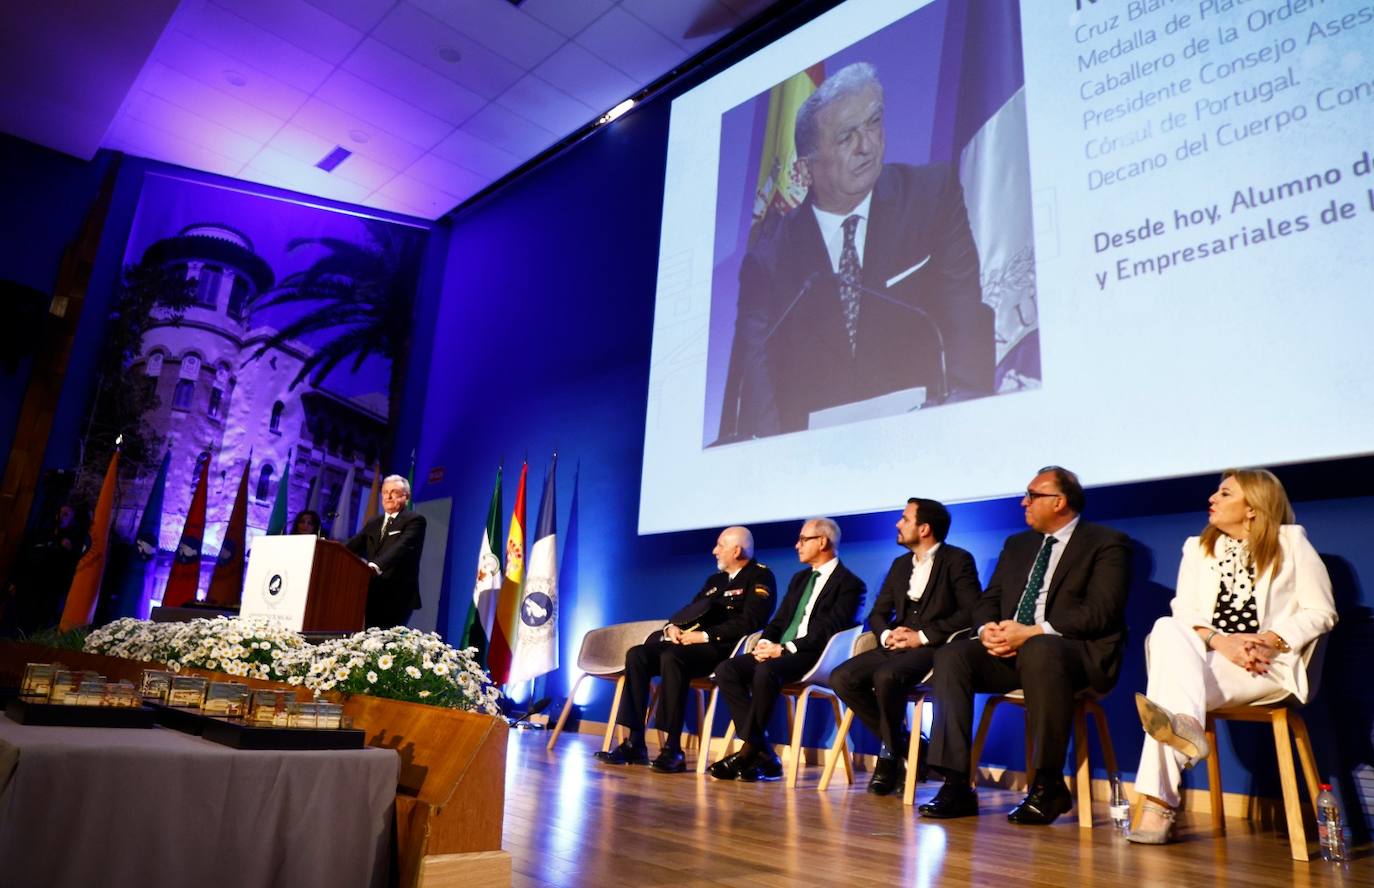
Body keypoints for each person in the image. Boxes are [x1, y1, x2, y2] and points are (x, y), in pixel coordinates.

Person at [721, 62, 993, 441]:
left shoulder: (932, 196)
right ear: (805, 169)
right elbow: (754, 384)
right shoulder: (769, 259)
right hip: (819, 464)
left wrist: (967, 417)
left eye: (874, 122)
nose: (867, 146)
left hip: (930, 436)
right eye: (847, 137)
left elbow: (964, 312)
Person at [1128, 469, 1337, 844]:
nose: (1212, 498)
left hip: (1264, 665)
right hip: (1210, 658)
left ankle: (1161, 800)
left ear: (1253, 507)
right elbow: (1186, 614)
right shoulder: (1198, 548)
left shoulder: (1291, 542)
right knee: (1166, 625)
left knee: (1167, 695)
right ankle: (1186, 725)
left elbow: (1321, 611)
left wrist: (1269, 640)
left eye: (1224, 493)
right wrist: (1222, 642)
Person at [919, 466, 1131, 824]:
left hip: (1073, 655)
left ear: (1059, 501)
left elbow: (1101, 612)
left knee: (1041, 649)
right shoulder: (1018, 545)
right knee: (953, 655)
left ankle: (1048, 784)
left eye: (1032, 495)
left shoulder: (1106, 543)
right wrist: (987, 628)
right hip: (1012, 650)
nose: (1024, 502)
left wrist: (1032, 632)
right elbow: (990, 599)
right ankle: (956, 784)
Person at [829, 498, 981, 795]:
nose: (898, 524)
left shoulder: (958, 560)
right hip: (894, 644)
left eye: (904, 519)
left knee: (886, 676)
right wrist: (886, 635)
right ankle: (902, 744)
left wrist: (922, 636)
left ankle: (888, 758)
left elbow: (971, 611)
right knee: (841, 678)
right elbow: (878, 612)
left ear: (924, 528)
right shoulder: (900, 565)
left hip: (932, 648)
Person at [595, 526, 777, 773]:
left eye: (720, 545)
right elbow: (689, 611)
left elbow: (752, 622)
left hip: (722, 649)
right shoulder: (716, 580)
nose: (715, 551)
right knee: (637, 654)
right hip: (690, 646)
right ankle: (634, 741)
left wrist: (702, 636)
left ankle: (672, 749)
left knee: (672, 658)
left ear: (737, 550)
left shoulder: (760, 576)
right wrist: (672, 627)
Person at [709, 517, 864, 781]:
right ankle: (763, 751)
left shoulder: (850, 584)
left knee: (766, 671)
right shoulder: (800, 578)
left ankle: (750, 752)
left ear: (823, 541)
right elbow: (780, 620)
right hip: (781, 651)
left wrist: (785, 648)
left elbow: (829, 631)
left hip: (813, 656)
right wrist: (765, 642)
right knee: (727, 669)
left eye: (803, 539)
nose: (797, 545)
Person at [345, 475, 426, 628]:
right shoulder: (374, 522)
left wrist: (375, 566)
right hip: (372, 592)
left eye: (394, 492)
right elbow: (351, 545)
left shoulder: (414, 520)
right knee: (368, 640)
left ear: (406, 497)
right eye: (384, 492)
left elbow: (401, 547)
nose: (388, 496)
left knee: (385, 643)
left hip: (397, 595)